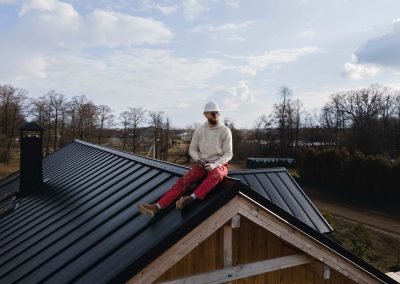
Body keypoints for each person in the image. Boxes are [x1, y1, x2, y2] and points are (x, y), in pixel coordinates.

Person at [137, 101, 233, 218]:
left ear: (219, 113)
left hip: (219, 164)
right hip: (203, 163)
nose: (214, 116)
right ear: (205, 115)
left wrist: (215, 165)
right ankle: (157, 206)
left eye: (216, 113)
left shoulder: (225, 131)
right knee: (184, 181)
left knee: (216, 175)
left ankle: (191, 198)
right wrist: (199, 160)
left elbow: (228, 154)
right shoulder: (200, 130)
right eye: (211, 114)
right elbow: (192, 149)